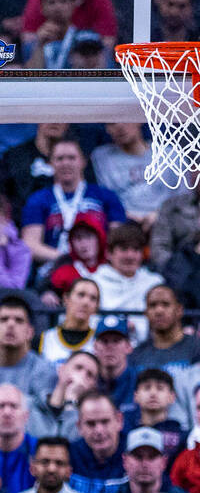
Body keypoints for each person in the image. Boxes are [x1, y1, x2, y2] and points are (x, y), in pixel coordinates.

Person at [20, 138, 125, 272]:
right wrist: (68, 258)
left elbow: (117, 239)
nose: (66, 163)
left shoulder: (105, 196)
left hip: (101, 268)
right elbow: (30, 244)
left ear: (83, 161)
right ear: (50, 163)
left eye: (71, 158)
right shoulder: (38, 199)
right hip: (54, 268)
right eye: (59, 158)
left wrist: (93, 259)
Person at [68, 391, 127, 493]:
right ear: (79, 426)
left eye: (105, 422)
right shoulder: (68, 456)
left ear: (119, 420)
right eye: (91, 423)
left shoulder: (136, 454)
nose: (99, 431)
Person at [0, 295, 56, 400]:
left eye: (19, 320)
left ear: (30, 332)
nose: (11, 324)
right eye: (3, 319)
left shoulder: (44, 372)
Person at [38, 277, 99, 366]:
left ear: (97, 307)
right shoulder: (45, 338)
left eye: (93, 298)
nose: (86, 302)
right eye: (81, 295)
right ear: (66, 298)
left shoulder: (99, 341)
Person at [0, 383, 36, 493]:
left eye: (14, 406)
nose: (7, 413)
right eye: (1, 406)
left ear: (26, 416)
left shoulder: (39, 451)